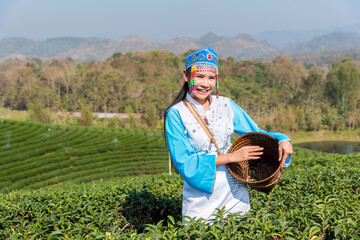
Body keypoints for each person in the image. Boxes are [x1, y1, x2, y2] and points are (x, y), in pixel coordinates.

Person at [164, 47, 293, 222]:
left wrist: (282, 139)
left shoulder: (226, 105)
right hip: (201, 198)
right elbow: (184, 162)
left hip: (235, 193)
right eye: (199, 77)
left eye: (211, 78)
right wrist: (232, 157)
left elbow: (256, 133)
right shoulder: (176, 113)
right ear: (186, 76)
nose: (205, 84)